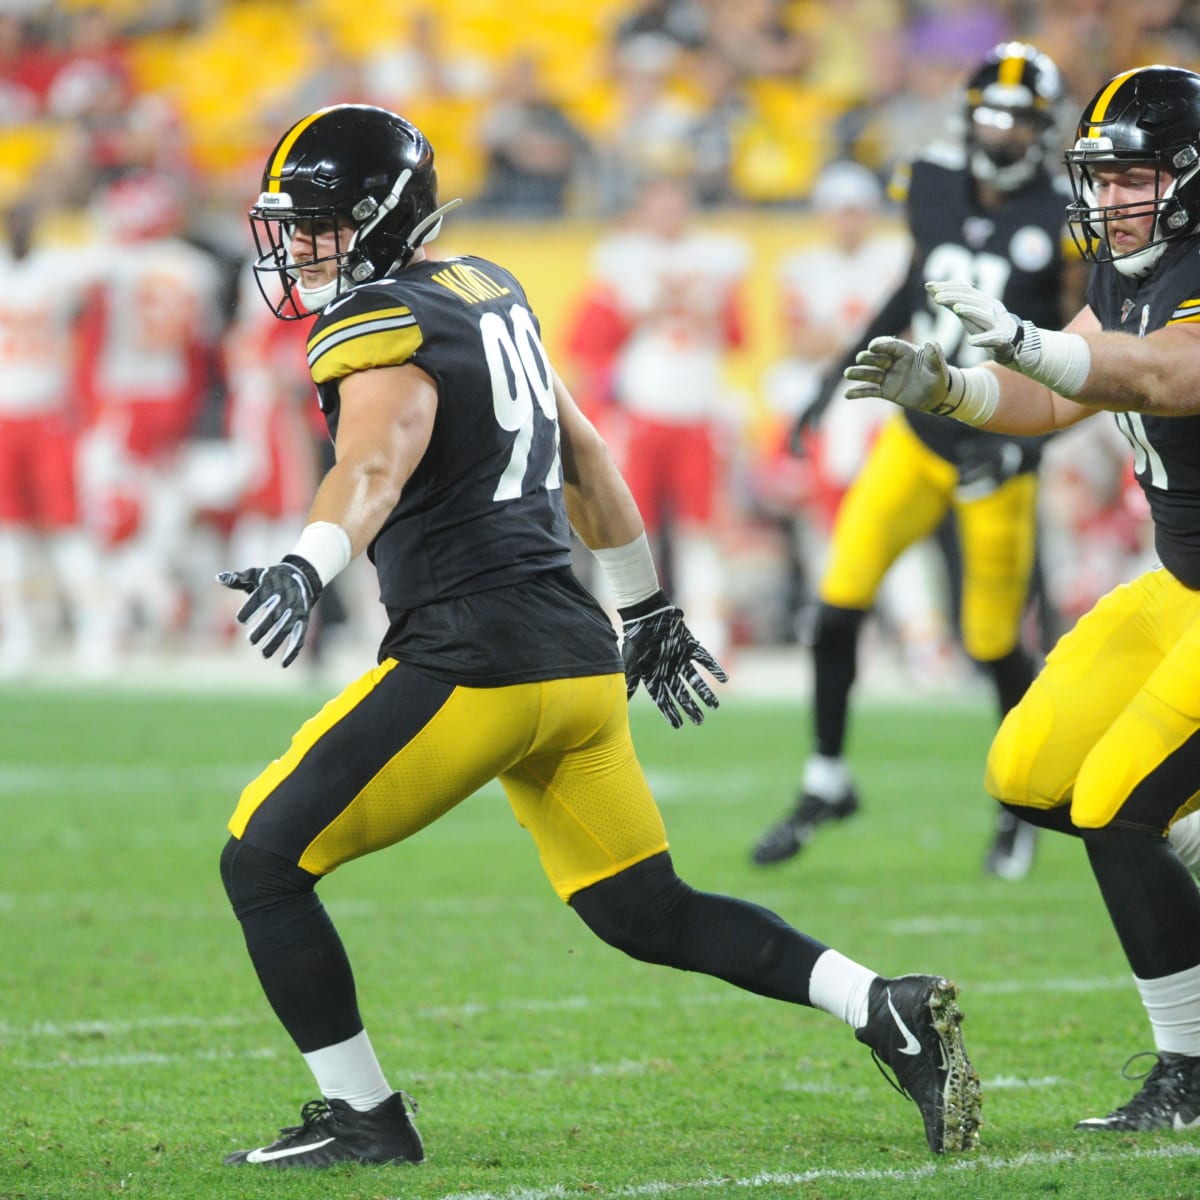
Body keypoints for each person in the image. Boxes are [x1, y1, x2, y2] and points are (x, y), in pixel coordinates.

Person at [214, 102, 981, 1168]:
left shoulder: (378, 323)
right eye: (290, 224)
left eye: (318, 222)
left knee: (260, 860)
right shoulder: (487, 289)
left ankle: (366, 1121)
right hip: (575, 660)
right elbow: (585, 452)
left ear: (383, 217)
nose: (297, 246)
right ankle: (879, 1005)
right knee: (642, 908)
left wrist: (309, 560)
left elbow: (374, 468)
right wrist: (646, 606)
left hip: (472, 663)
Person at [842, 63, 1200, 1132]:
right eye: (1103, 175)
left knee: (1117, 806)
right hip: (1180, 581)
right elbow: (1063, 393)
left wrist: (1030, 341)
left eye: (1135, 176)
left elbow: (1163, 376)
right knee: (1029, 770)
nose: (1112, 197)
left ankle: (1189, 1071)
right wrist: (948, 388)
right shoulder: (1132, 269)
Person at [750, 42, 1078, 880]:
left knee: (994, 641)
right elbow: (912, 287)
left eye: (1019, 118)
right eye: (992, 114)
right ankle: (827, 779)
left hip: (997, 453)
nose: (1002, 131)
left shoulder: (1066, 220)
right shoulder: (931, 183)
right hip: (919, 436)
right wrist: (828, 389)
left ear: (1042, 130)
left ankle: (1022, 805)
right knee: (838, 602)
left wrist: (1022, 446)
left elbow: (1084, 363)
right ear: (970, 117)